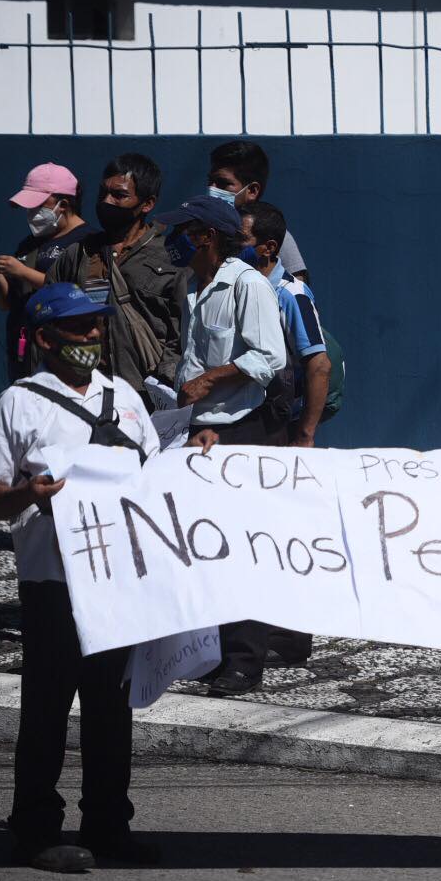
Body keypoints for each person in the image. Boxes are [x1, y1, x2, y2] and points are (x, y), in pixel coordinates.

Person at [0, 283, 211, 873]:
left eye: (97, 326)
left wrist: (197, 451)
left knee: (111, 708)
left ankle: (108, 825)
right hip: (53, 582)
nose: (92, 337)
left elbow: (155, 474)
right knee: (47, 709)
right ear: (46, 338)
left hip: (117, 580)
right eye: (79, 328)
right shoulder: (20, 403)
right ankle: (34, 829)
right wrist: (32, 493)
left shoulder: (124, 396)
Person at [158, 195, 288, 696]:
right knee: (204, 544)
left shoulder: (248, 284)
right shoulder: (194, 284)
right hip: (196, 428)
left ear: (206, 235)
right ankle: (209, 650)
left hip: (237, 429)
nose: (173, 240)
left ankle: (244, 661)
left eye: (182, 230)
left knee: (240, 547)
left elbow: (269, 357)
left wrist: (213, 378)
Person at [43, 153, 188, 395]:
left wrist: (165, 380)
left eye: (119, 195)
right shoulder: (79, 253)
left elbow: (183, 328)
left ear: (147, 204)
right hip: (87, 389)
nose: (106, 202)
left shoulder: (169, 257)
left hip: (147, 393)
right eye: (103, 193)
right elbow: (51, 311)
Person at [0, 163, 88, 379]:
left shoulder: (87, 241)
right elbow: (6, 303)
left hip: (62, 356)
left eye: (36, 206)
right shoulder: (29, 244)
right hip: (23, 355)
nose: (30, 213)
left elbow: (78, 294)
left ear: (63, 204)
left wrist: (22, 271)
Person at [240, 201, 331, 447]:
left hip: (275, 425)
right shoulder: (237, 287)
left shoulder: (291, 295)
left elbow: (319, 366)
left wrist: (305, 435)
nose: (231, 246)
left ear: (268, 248)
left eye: (241, 239)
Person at [207, 140, 311, 286]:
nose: (212, 189)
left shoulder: (275, 236)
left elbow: (297, 292)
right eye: (210, 181)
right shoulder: (205, 232)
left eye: (223, 183)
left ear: (252, 191)